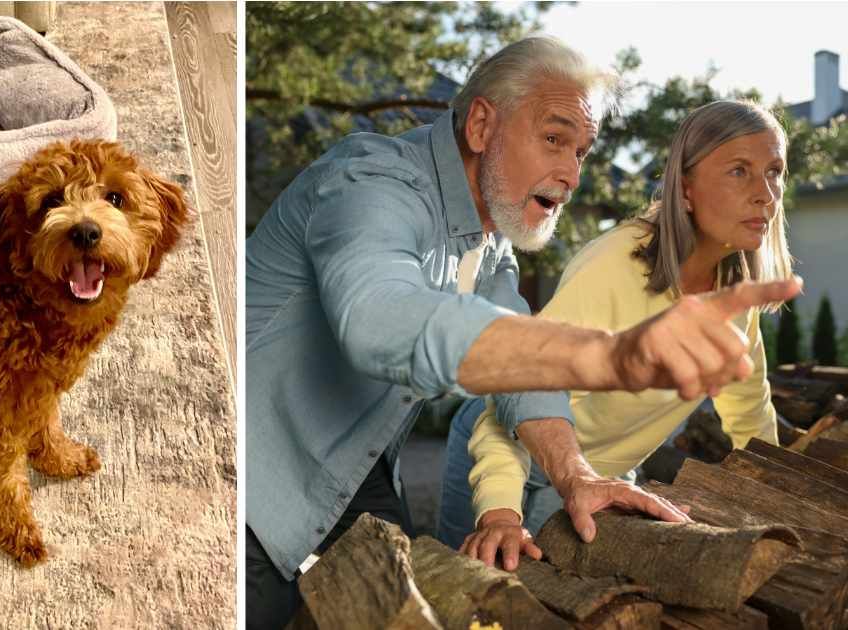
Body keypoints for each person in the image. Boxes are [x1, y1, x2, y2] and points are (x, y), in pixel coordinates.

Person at [245, 34, 800, 629]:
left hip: (357, 473)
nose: (571, 175)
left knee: (418, 608)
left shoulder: (491, 247)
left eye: (582, 151)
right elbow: (378, 316)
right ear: (482, 126)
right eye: (554, 139)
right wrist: (606, 357)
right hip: (249, 474)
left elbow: (518, 379)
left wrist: (576, 475)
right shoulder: (373, 181)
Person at [437, 100, 792, 570]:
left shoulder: (733, 290)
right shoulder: (613, 267)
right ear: (684, 189)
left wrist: (785, 497)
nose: (766, 194)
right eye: (739, 171)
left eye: (775, 171)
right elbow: (512, 392)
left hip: (602, 476)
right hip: (508, 457)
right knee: (472, 602)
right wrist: (500, 513)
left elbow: (748, 411)